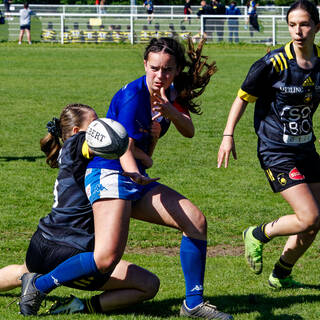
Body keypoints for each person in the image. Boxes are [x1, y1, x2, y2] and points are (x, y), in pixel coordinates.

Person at [18, 37, 232, 320]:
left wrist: (171, 113)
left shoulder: (171, 91)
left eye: (167, 70)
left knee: (195, 221)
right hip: (109, 171)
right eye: (154, 68)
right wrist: (133, 171)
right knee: (106, 257)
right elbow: (122, 144)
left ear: (177, 69)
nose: (160, 76)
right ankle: (39, 284)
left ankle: (193, 303)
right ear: (145, 64)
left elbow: (189, 130)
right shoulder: (133, 96)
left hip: (132, 176)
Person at [0, 104, 160, 315]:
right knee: (148, 284)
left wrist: (147, 143)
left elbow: (129, 154)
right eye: (94, 125)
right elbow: (102, 143)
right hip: (71, 251)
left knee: (24, 271)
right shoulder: (77, 143)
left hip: (41, 244)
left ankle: (34, 283)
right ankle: (78, 305)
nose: (99, 127)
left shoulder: (68, 153)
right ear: (76, 132)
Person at [217, 0, 320, 290]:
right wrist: (228, 135)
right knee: (308, 215)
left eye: (304, 24)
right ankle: (258, 233)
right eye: (292, 25)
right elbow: (242, 97)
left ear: (316, 27)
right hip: (276, 150)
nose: (298, 31)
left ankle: (282, 273)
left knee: (314, 222)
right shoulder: (273, 64)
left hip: (306, 149)